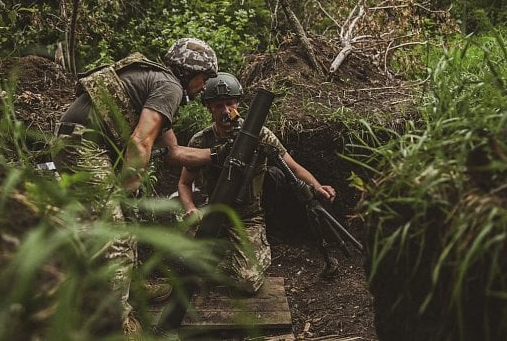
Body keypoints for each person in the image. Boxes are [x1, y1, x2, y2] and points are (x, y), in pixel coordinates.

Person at [51, 38, 220, 334]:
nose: (204, 85)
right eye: (204, 77)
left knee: (124, 221)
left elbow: (174, 153)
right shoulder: (170, 87)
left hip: (77, 141)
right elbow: (141, 142)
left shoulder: (157, 80)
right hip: (84, 146)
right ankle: (116, 325)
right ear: (188, 72)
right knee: (113, 238)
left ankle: (134, 287)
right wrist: (127, 192)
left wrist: (219, 153)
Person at [177, 72, 338, 296]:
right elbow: (184, 184)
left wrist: (317, 186)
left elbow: (292, 166)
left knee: (247, 282)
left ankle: (235, 258)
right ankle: (222, 257)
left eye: (230, 104)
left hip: (248, 218)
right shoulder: (200, 141)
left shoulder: (259, 135)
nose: (225, 112)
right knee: (183, 260)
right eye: (218, 106)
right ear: (209, 108)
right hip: (213, 213)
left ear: (238, 104)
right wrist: (191, 209)